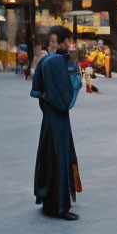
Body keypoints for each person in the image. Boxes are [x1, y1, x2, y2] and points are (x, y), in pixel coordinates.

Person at [31, 26, 82, 220]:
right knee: (60, 158)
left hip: (48, 118)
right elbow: (69, 96)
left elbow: (38, 91)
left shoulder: (45, 61)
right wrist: (73, 64)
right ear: (63, 43)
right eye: (68, 41)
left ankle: (48, 200)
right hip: (59, 119)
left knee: (48, 158)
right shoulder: (59, 62)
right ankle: (59, 206)